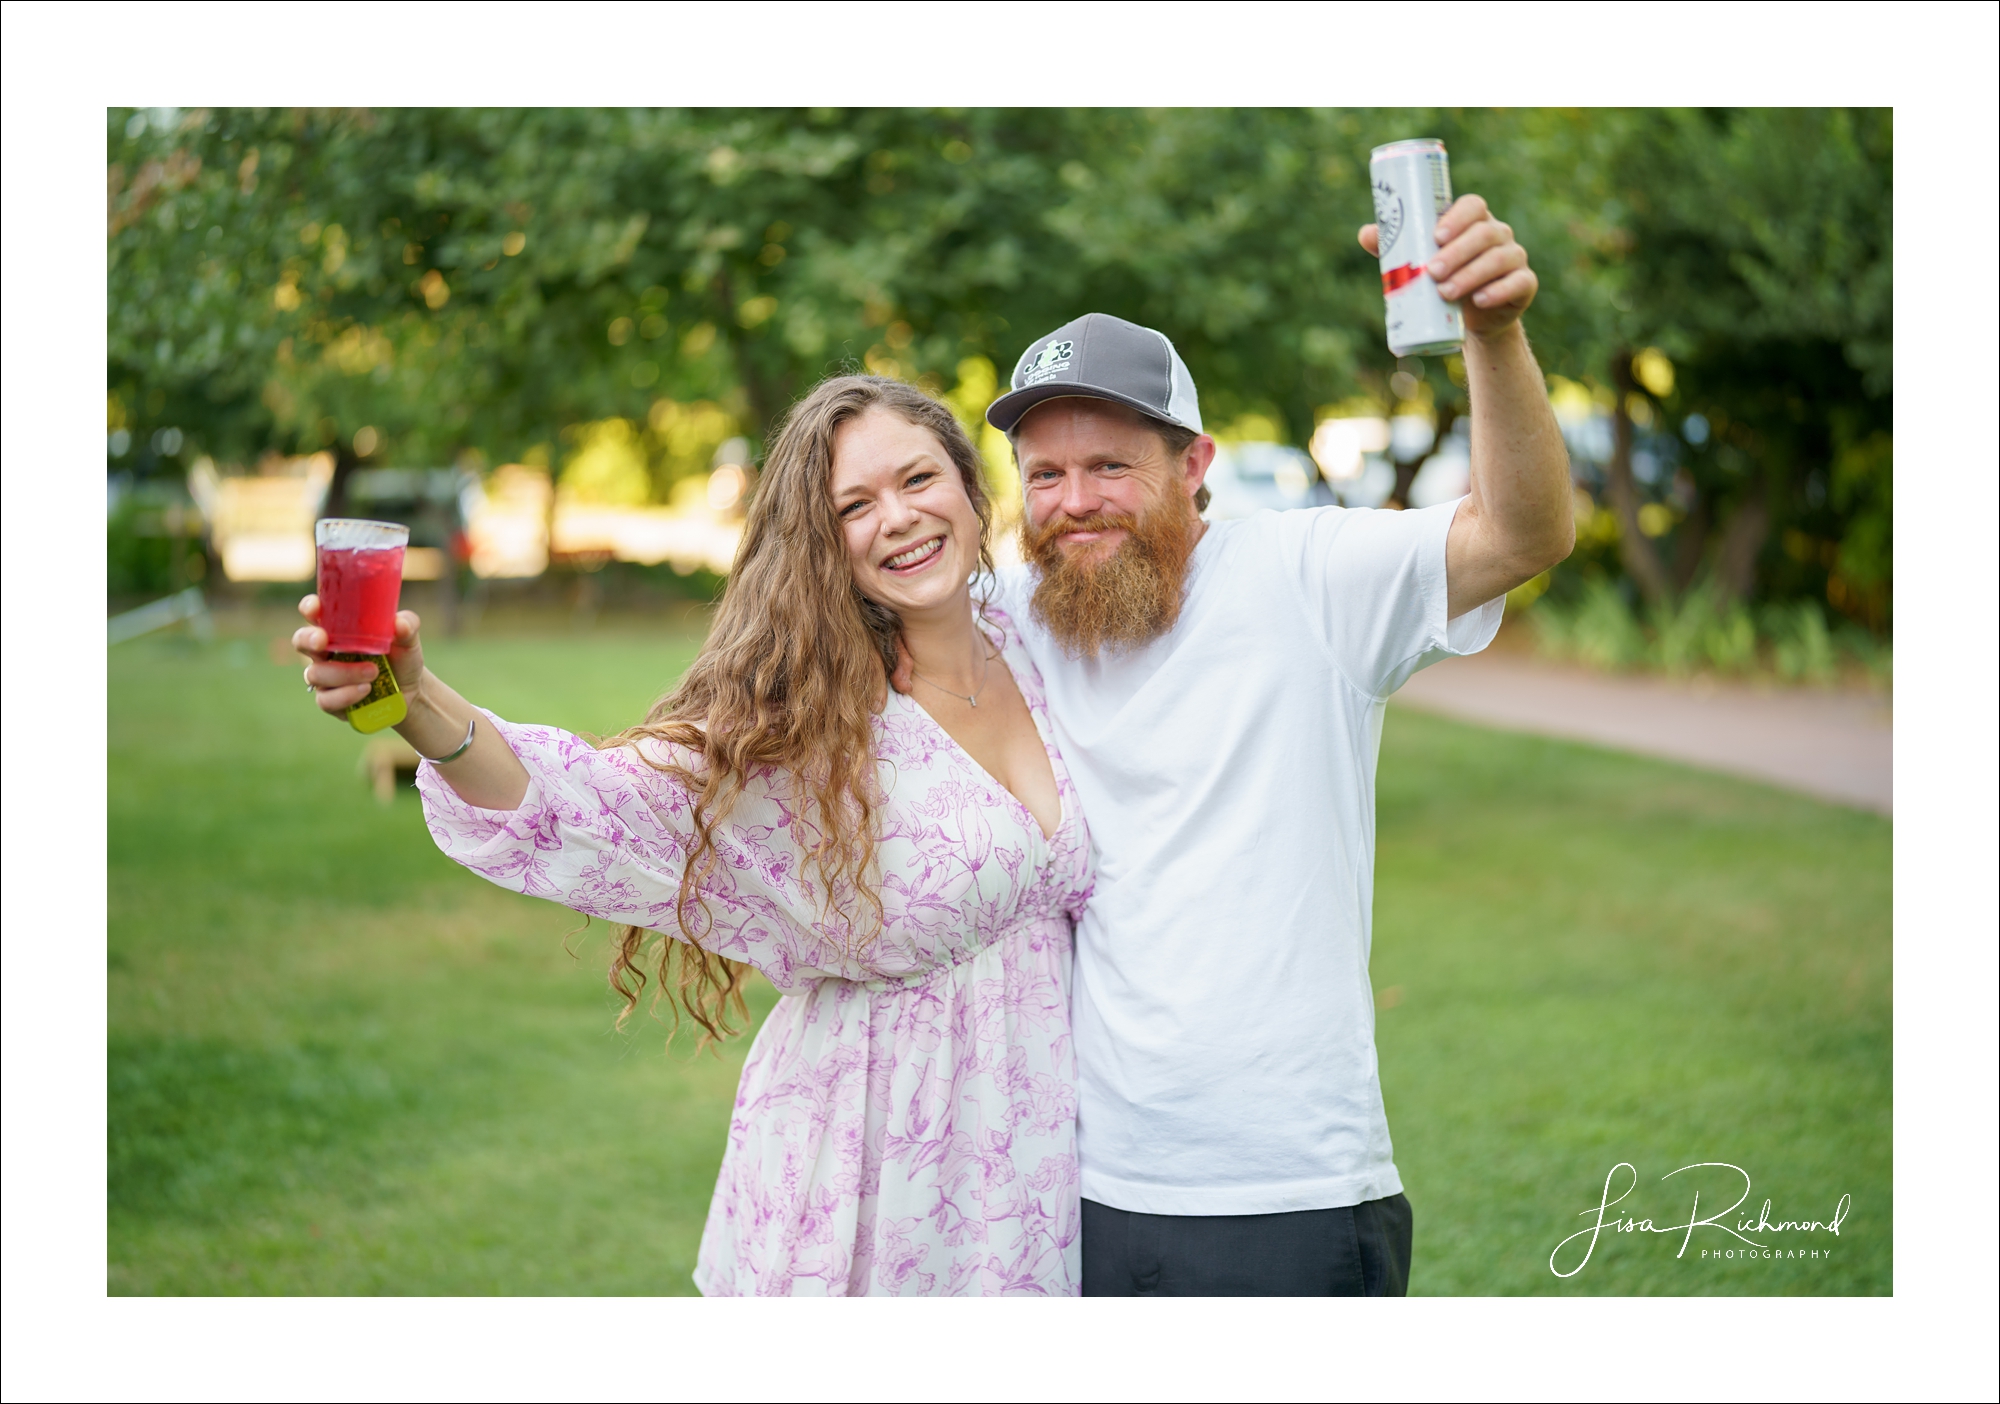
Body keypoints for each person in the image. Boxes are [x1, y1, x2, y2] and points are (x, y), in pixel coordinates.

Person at [297, 377, 1093, 1296]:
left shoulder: (1036, 650)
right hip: (869, 1183)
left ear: (966, 483)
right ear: (822, 544)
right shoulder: (812, 723)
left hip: (1025, 1178)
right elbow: (589, 799)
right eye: (855, 506)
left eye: (918, 480)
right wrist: (415, 700)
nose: (899, 519)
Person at [944, 194, 1574, 1295]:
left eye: (1109, 467)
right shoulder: (1013, 624)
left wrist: (1492, 333)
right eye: (1043, 475)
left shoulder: (1306, 579)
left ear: (1195, 464)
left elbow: (1522, 533)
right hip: (1076, 1186)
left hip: (1288, 1193)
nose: (1072, 501)